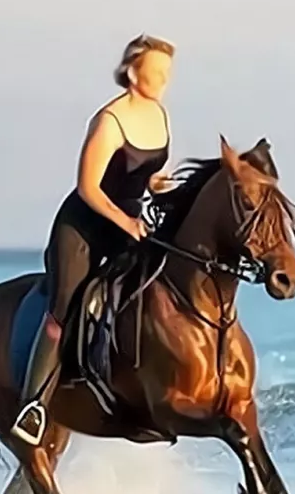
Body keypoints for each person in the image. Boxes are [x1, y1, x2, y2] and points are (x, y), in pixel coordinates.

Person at [11, 34, 176, 446]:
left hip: (128, 221)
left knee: (149, 287)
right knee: (65, 307)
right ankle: (33, 407)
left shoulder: (159, 115)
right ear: (133, 71)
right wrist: (126, 220)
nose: (162, 80)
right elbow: (88, 187)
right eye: (156, 71)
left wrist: (156, 184)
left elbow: (139, 174)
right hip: (84, 226)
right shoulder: (109, 120)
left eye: (167, 74)